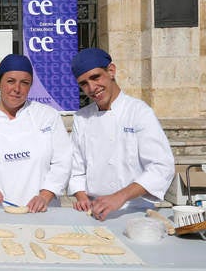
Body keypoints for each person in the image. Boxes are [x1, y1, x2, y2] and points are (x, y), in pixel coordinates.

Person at [67, 48, 175, 221]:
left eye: (95, 77)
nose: (92, 88)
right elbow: (76, 168)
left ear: (111, 71)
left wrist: (120, 197)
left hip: (134, 210)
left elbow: (161, 167)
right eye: (84, 83)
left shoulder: (138, 112)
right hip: (94, 211)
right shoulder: (82, 118)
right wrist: (82, 198)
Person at [0, 54, 72, 212]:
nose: (16, 89)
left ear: (31, 85)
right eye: (10, 81)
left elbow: (63, 161)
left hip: (41, 211)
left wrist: (45, 195)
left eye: (24, 83)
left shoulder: (47, 117)